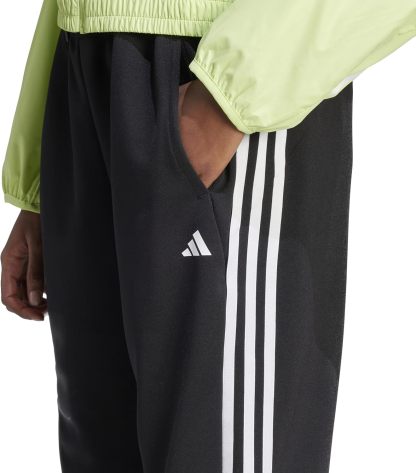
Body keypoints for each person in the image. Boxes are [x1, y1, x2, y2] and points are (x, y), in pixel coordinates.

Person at [1, 1, 415, 472]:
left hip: (219, 68)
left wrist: (234, 91)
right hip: (86, 65)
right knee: (102, 450)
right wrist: (37, 185)